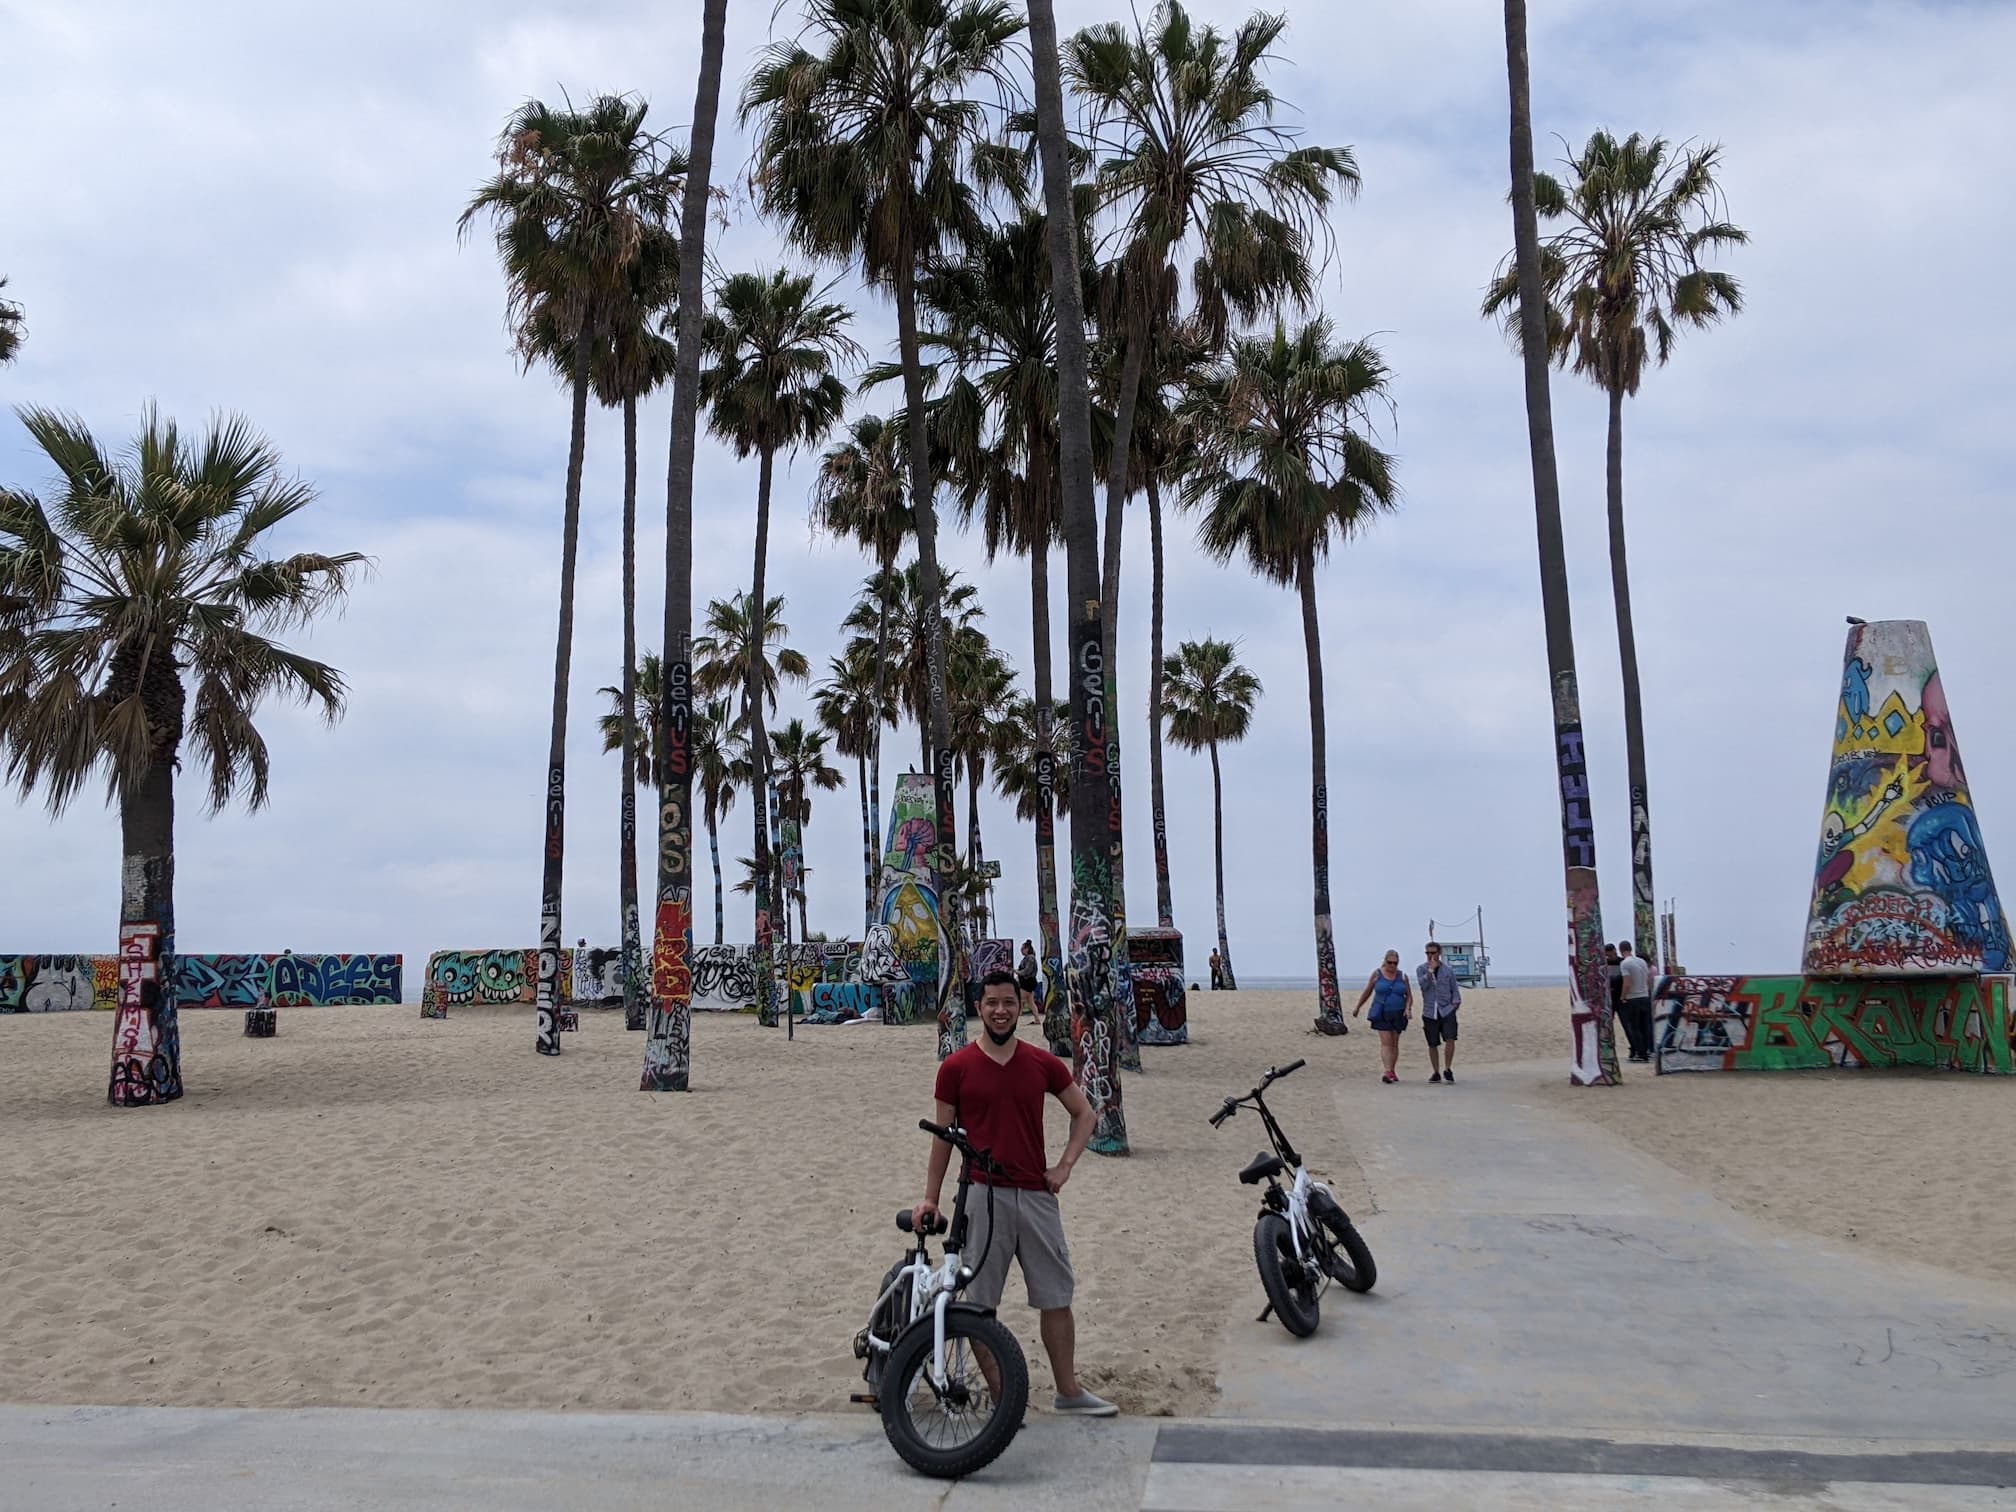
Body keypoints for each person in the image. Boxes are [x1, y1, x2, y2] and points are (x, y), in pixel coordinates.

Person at [915, 969, 1118, 1417]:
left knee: (1056, 1296)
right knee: (980, 1306)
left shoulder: (1041, 1062)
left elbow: (1084, 1114)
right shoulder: (956, 1068)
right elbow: (943, 1137)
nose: (1001, 1011)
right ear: (979, 1007)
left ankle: (1068, 1390)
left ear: (1020, 1004)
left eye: (1009, 1002)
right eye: (991, 1003)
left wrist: (1063, 1167)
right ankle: (1008, 1402)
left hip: (1037, 1194)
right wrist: (931, 1197)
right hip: (982, 1195)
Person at [1352, 950, 1413, 1084]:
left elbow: (1409, 996)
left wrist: (1408, 1008)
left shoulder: (1402, 976)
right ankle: (1387, 1071)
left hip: (1398, 1012)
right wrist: (1358, 1007)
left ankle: (1392, 1070)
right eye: (1389, 962)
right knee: (1386, 1043)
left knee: (1394, 1043)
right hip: (1382, 1012)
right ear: (1385, 961)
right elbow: (1367, 991)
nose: (1392, 965)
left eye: (1395, 963)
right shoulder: (1377, 974)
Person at [1416, 942, 1462, 1083]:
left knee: (1450, 1038)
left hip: (1447, 1009)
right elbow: (1422, 985)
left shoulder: (1447, 970)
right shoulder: (1421, 969)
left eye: (1433, 953)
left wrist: (1455, 1002)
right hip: (1430, 1011)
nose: (1431, 956)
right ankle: (1436, 1071)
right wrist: (1430, 972)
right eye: (1428, 953)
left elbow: (1454, 988)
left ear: (1439, 953)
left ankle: (1447, 1069)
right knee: (1432, 1043)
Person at [1617, 941, 1654, 1063]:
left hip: (1633, 998)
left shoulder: (1625, 964)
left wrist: (1623, 997)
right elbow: (1648, 980)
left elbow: (1627, 983)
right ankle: (1647, 1050)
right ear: (1631, 948)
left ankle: (1640, 1053)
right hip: (1644, 996)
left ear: (1621, 950)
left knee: (1635, 1027)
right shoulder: (1642, 962)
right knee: (1645, 1026)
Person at [1015, 940, 1041, 1022]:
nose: (1021, 951)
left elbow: (1027, 970)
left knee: (1018, 998)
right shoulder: (1029, 958)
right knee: (1030, 1002)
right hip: (1029, 982)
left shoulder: (1030, 958)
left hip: (1027, 982)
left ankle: (1017, 1015)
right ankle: (1037, 1019)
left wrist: (1017, 972)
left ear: (1027, 949)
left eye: (1022, 949)